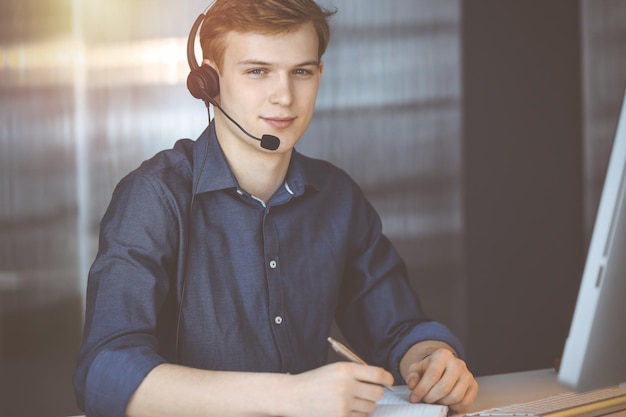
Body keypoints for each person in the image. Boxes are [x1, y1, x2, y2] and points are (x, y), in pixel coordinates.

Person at [73, 1, 478, 416]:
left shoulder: (336, 196)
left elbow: (399, 328)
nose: (284, 96)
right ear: (208, 82)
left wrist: (431, 359)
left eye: (300, 71)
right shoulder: (153, 197)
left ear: (319, 75)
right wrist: (288, 397)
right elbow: (105, 372)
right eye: (257, 71)